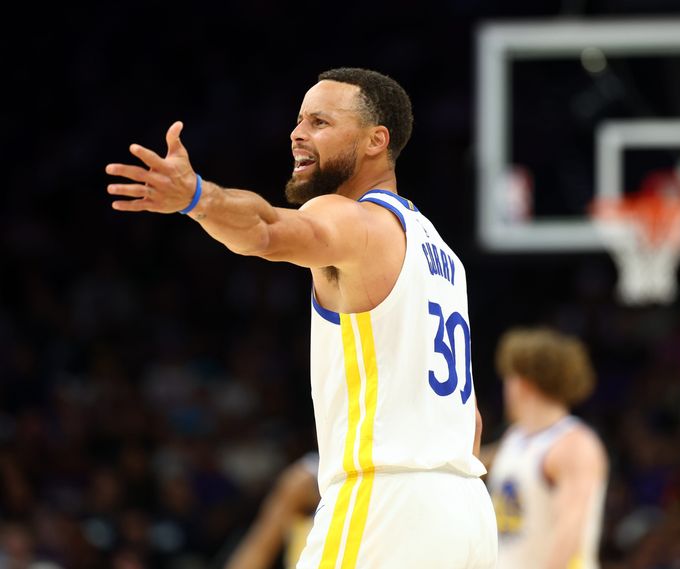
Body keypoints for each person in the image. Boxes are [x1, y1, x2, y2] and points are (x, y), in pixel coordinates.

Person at [105, 67, 497, 569]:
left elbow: (267, 229)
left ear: (377, 139)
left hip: (386, 502)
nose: (297, 133)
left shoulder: (353, 218)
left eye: (319, 122)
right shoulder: (441, 254)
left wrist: (198, 198)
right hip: (467, 511)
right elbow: (473, 421)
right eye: (298, 120)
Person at [485, 327, 607, 569]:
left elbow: (569, 532)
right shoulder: (516, 438)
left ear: (523, 382)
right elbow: (474, 461)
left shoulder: (575, 445)